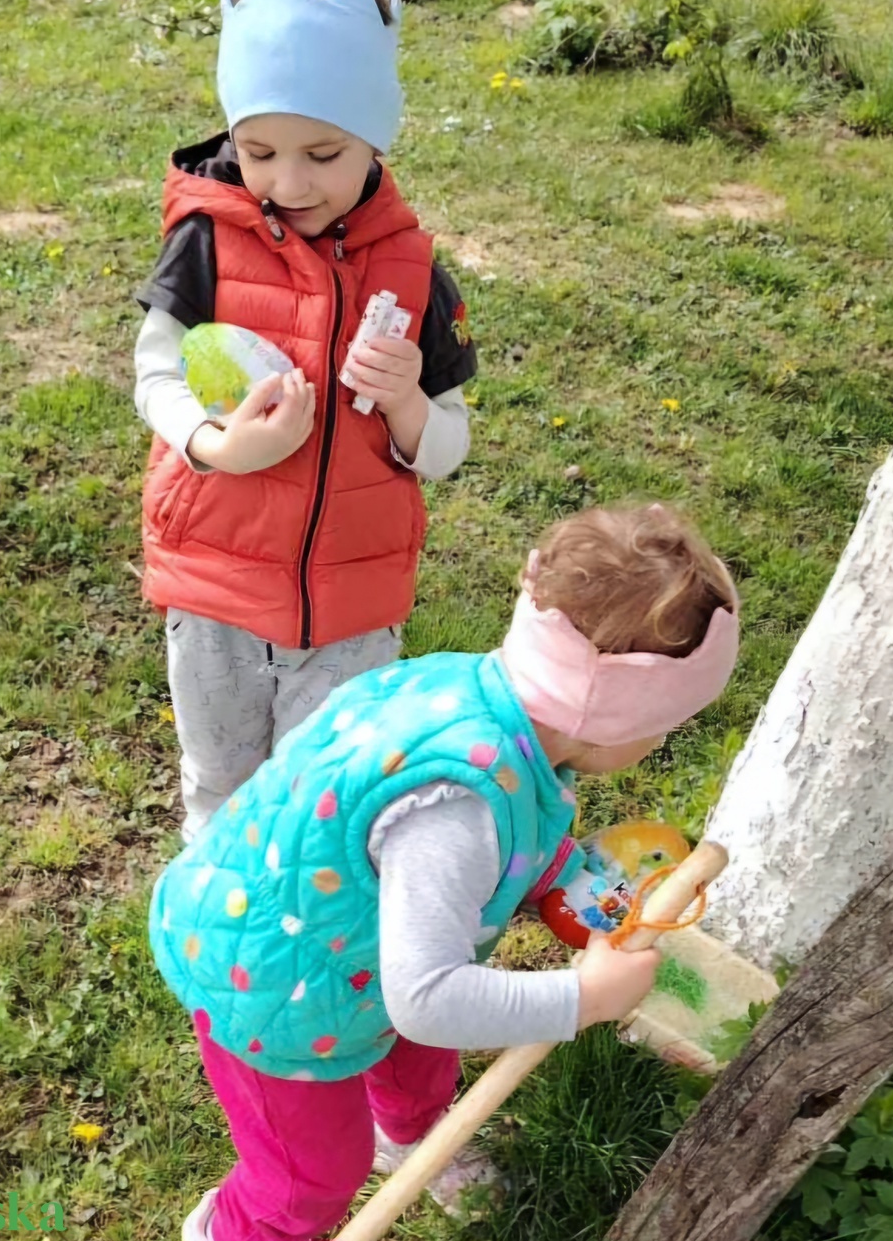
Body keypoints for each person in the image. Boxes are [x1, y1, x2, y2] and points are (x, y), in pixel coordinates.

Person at [149, 502, 740, 1241]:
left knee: (421, 1059)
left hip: (351, 943)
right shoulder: (454, 811)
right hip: (272, 983)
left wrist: (580, 886)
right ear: (606, 713)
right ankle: (236, 1230)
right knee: (313, 1175)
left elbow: (518, 833)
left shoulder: (490, 703)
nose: (661, 741)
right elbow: (426, 997)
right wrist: (579, 998)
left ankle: (413, 1139)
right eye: (665, 724)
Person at [133, 0, 478, 841]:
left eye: (324, 153)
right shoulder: (208, 241)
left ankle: (295, 942)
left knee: (318, 797)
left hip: (352, 611)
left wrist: (407, 402)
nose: (289, 183)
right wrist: (215, 446)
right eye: (259, 150)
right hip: (217, 588)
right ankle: (215, 934)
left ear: (377, 138)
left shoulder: (412, 274)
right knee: (219, 779)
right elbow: (157, 375)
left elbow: (446, 447)